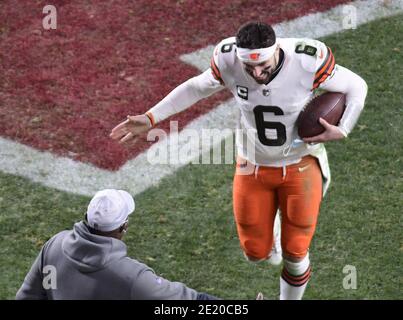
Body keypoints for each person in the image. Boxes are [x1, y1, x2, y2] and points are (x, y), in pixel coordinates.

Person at [110, 22, 368, 300]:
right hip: (252, 164)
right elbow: (197, 87)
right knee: (255, 252)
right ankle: (275, 227)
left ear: (277, 49)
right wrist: (151, 118)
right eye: (250, 68)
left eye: (264, 66)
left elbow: (357, 86)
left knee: (296, 250)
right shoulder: (228, 58)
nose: (257, 73)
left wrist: (343, 128)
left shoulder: (307, 60)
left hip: (300, 163)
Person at [16, 189, 218, 300]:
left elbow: (27, 295)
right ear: (123, 227)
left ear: (86, 216)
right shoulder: (132, 277)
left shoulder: (55, 244)